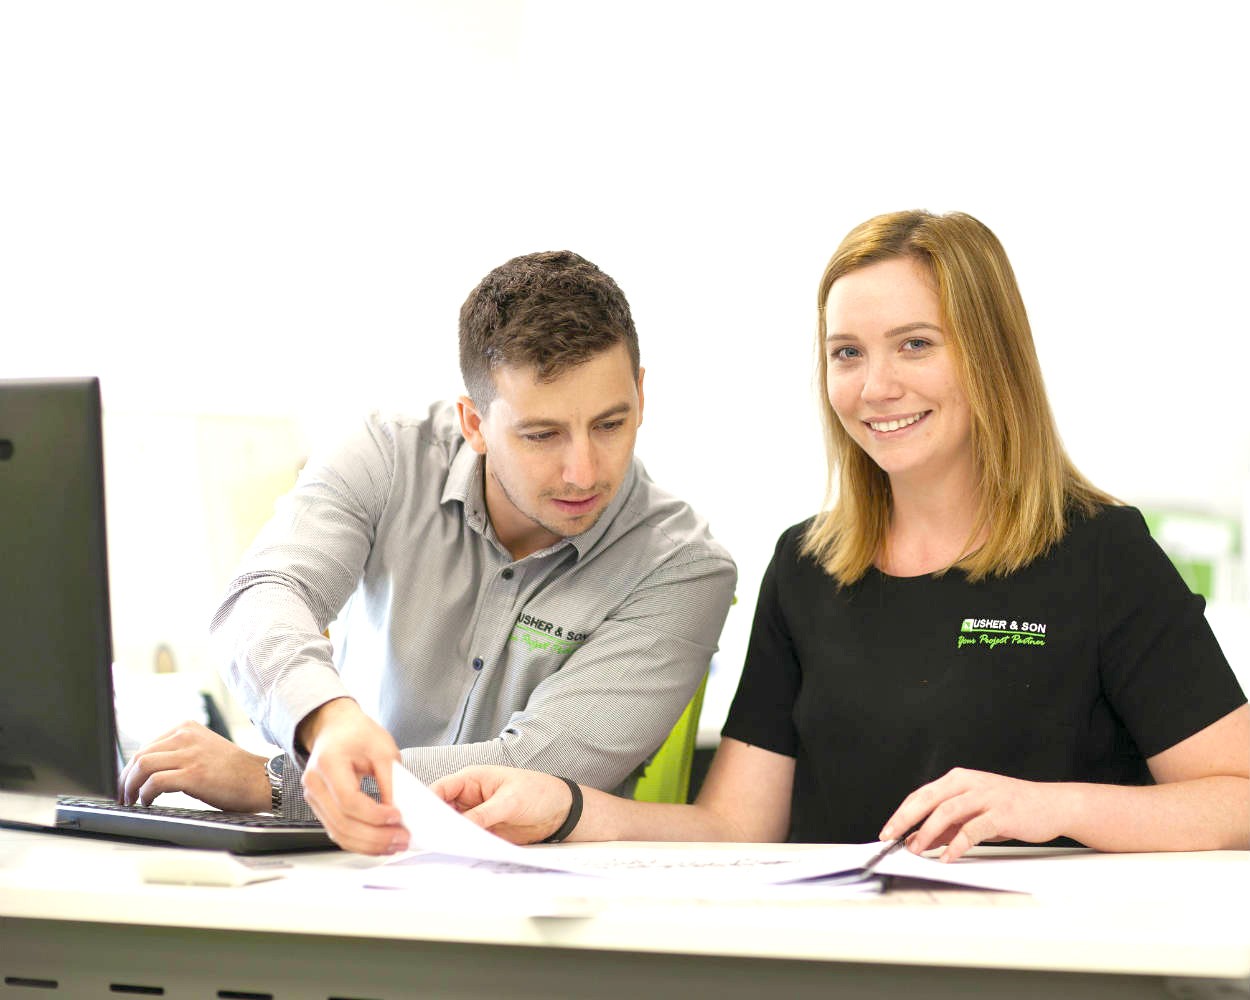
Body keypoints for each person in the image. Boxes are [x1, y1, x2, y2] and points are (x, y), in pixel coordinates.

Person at [430, 211, 1250, 861]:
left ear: (991, 356)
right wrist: (566, 807)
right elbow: (737, 831)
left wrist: (1046, 808)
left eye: (915, 346)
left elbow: (1239, 795)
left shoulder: (1100, 554)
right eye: (846, 353)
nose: (876, 386)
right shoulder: (808, 567)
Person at [119, 250, 737, 855]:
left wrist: (272, 781)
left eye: (610, 424)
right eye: (541, 435)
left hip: (537, 900)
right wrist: (325, 721)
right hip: (336, 868)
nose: (583, 471)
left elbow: (529, 769)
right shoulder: (388, 455)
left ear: (641, 395)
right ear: (474, 424)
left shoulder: (682, 568)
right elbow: (264, 593)